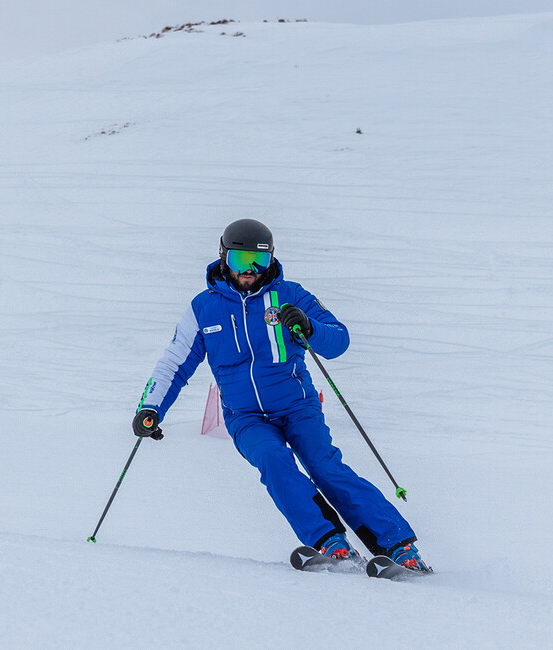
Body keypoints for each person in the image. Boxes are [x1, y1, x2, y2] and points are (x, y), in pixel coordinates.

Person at [132, 218, 430, 572]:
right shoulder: (203, 308)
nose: (250, 271)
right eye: (240, 261)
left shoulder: (290, 295)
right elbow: (174, 363)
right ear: (223, 257)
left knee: (325, 467)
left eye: (259, 261)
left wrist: (309, 327)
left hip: (297, 407)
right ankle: (331, 542)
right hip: (246, 417)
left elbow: (339, 340)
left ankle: (399, 547)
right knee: (273, 461)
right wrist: (151, 407)